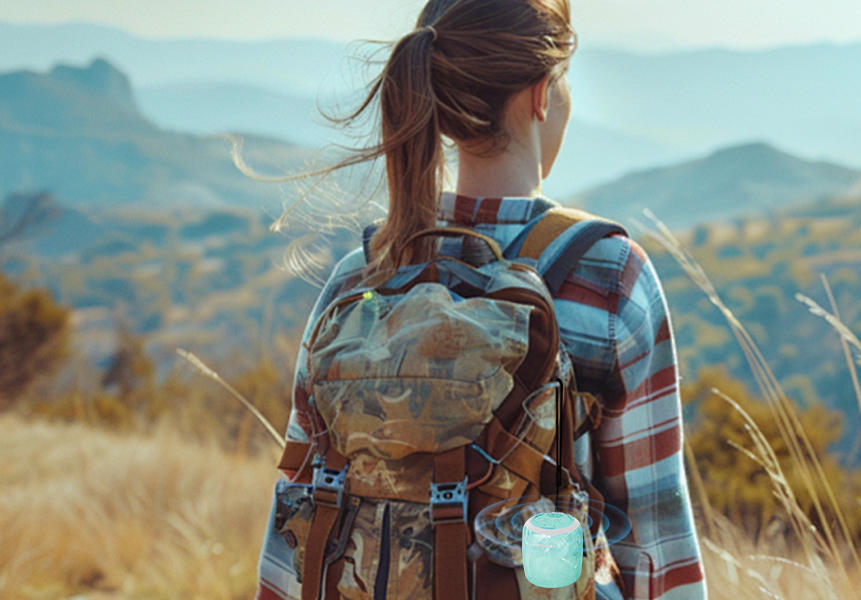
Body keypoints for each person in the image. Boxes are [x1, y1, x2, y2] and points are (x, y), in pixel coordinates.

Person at [251, 1, 706, 598]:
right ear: (542, 94)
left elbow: (300, 508)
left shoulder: (360, 279)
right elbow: (655, 546)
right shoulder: (609, 276)